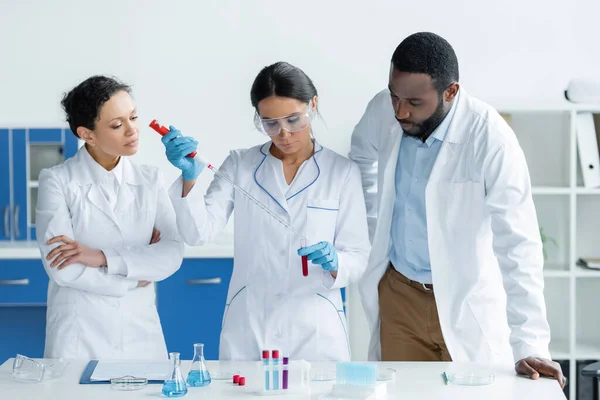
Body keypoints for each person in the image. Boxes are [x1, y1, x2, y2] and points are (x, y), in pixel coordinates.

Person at [350, 32, 565, 387]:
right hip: (400, 296)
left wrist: (531, 342)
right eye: (395, 96)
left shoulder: (490, 137)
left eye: (414, 102)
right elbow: (360, 158)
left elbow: (519, 244)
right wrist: (371, 224)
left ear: (451, 92)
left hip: (467, 299)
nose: (400, 111)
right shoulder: (383, 110)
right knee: (400, 394)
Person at [161, 61, 370, 361]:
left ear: (313, 104)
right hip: (250, 325)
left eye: (294, 120)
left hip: (315, 329)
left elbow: (358, 256)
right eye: (270, 123)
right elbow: (197, 233)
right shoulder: (239, 164)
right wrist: (190, 177)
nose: (284, 134)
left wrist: (337, 261)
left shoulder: (342, 172)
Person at [36, 75, 184, 360]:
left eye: (133, 117)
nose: (132, 131)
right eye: (117, 125)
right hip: (80, 334)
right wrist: (136, 273)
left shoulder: (150, 179)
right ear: (87, 134)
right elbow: (62, 267)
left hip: (140, 332)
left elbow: (171, 253)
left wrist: (101, 257)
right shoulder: (57, 181)